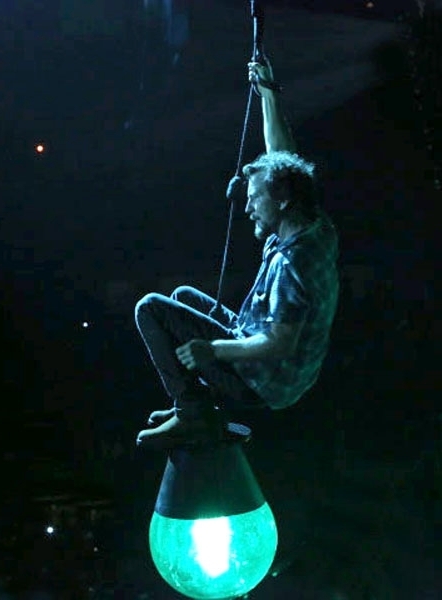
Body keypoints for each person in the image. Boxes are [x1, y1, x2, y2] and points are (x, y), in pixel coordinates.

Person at [134, 59, 340, 448]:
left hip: (265, 383)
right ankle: (198, 402)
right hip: (275, 364)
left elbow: (280, 343)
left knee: (151, 308)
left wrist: (212, 348)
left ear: (279, 201)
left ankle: (191, 413)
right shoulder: (312, 224)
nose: (247, 209)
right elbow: (283, 159)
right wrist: (268, 94)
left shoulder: (293, 264)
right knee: (182, 299)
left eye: (254, 199)